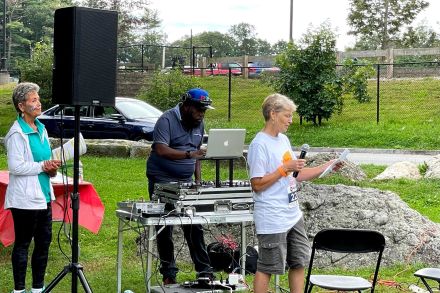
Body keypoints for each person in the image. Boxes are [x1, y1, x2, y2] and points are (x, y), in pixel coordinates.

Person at [247, 93, 342, 293]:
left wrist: (327, 166)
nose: (291, 120)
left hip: (292, 214)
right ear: (273, 114)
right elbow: (257, 184)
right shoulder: (259, 144)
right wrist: (284, 168)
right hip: (272, 215)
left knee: (298, 262)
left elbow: (295, 176)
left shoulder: (283, 140)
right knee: (268, 267)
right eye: (287, 116)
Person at [146, 88, 215, 285]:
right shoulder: (166, 120)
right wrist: (188, 155)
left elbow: (197, 155)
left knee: (194, 224)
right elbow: (160, 149)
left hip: (186, 181)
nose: (202, 114)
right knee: (165, 225)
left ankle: (204, 271)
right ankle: (169, 273)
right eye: (199, 110)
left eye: (204, 110)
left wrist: (198, 182)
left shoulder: (199, 123)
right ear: (186, 106)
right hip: (162, 179)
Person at [4, 82, 61, 293]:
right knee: (23, 244)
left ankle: (38, 288)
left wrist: (51, 169)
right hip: (25, 198)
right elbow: (16, 166)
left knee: (43, 243)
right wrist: (42, 166)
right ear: (21, 106)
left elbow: (44, 161)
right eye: (33, 100)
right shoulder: (16, 133)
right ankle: (19, 290)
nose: (39, 103)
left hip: (44, 194)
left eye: (38, 99)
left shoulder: (42, 129)